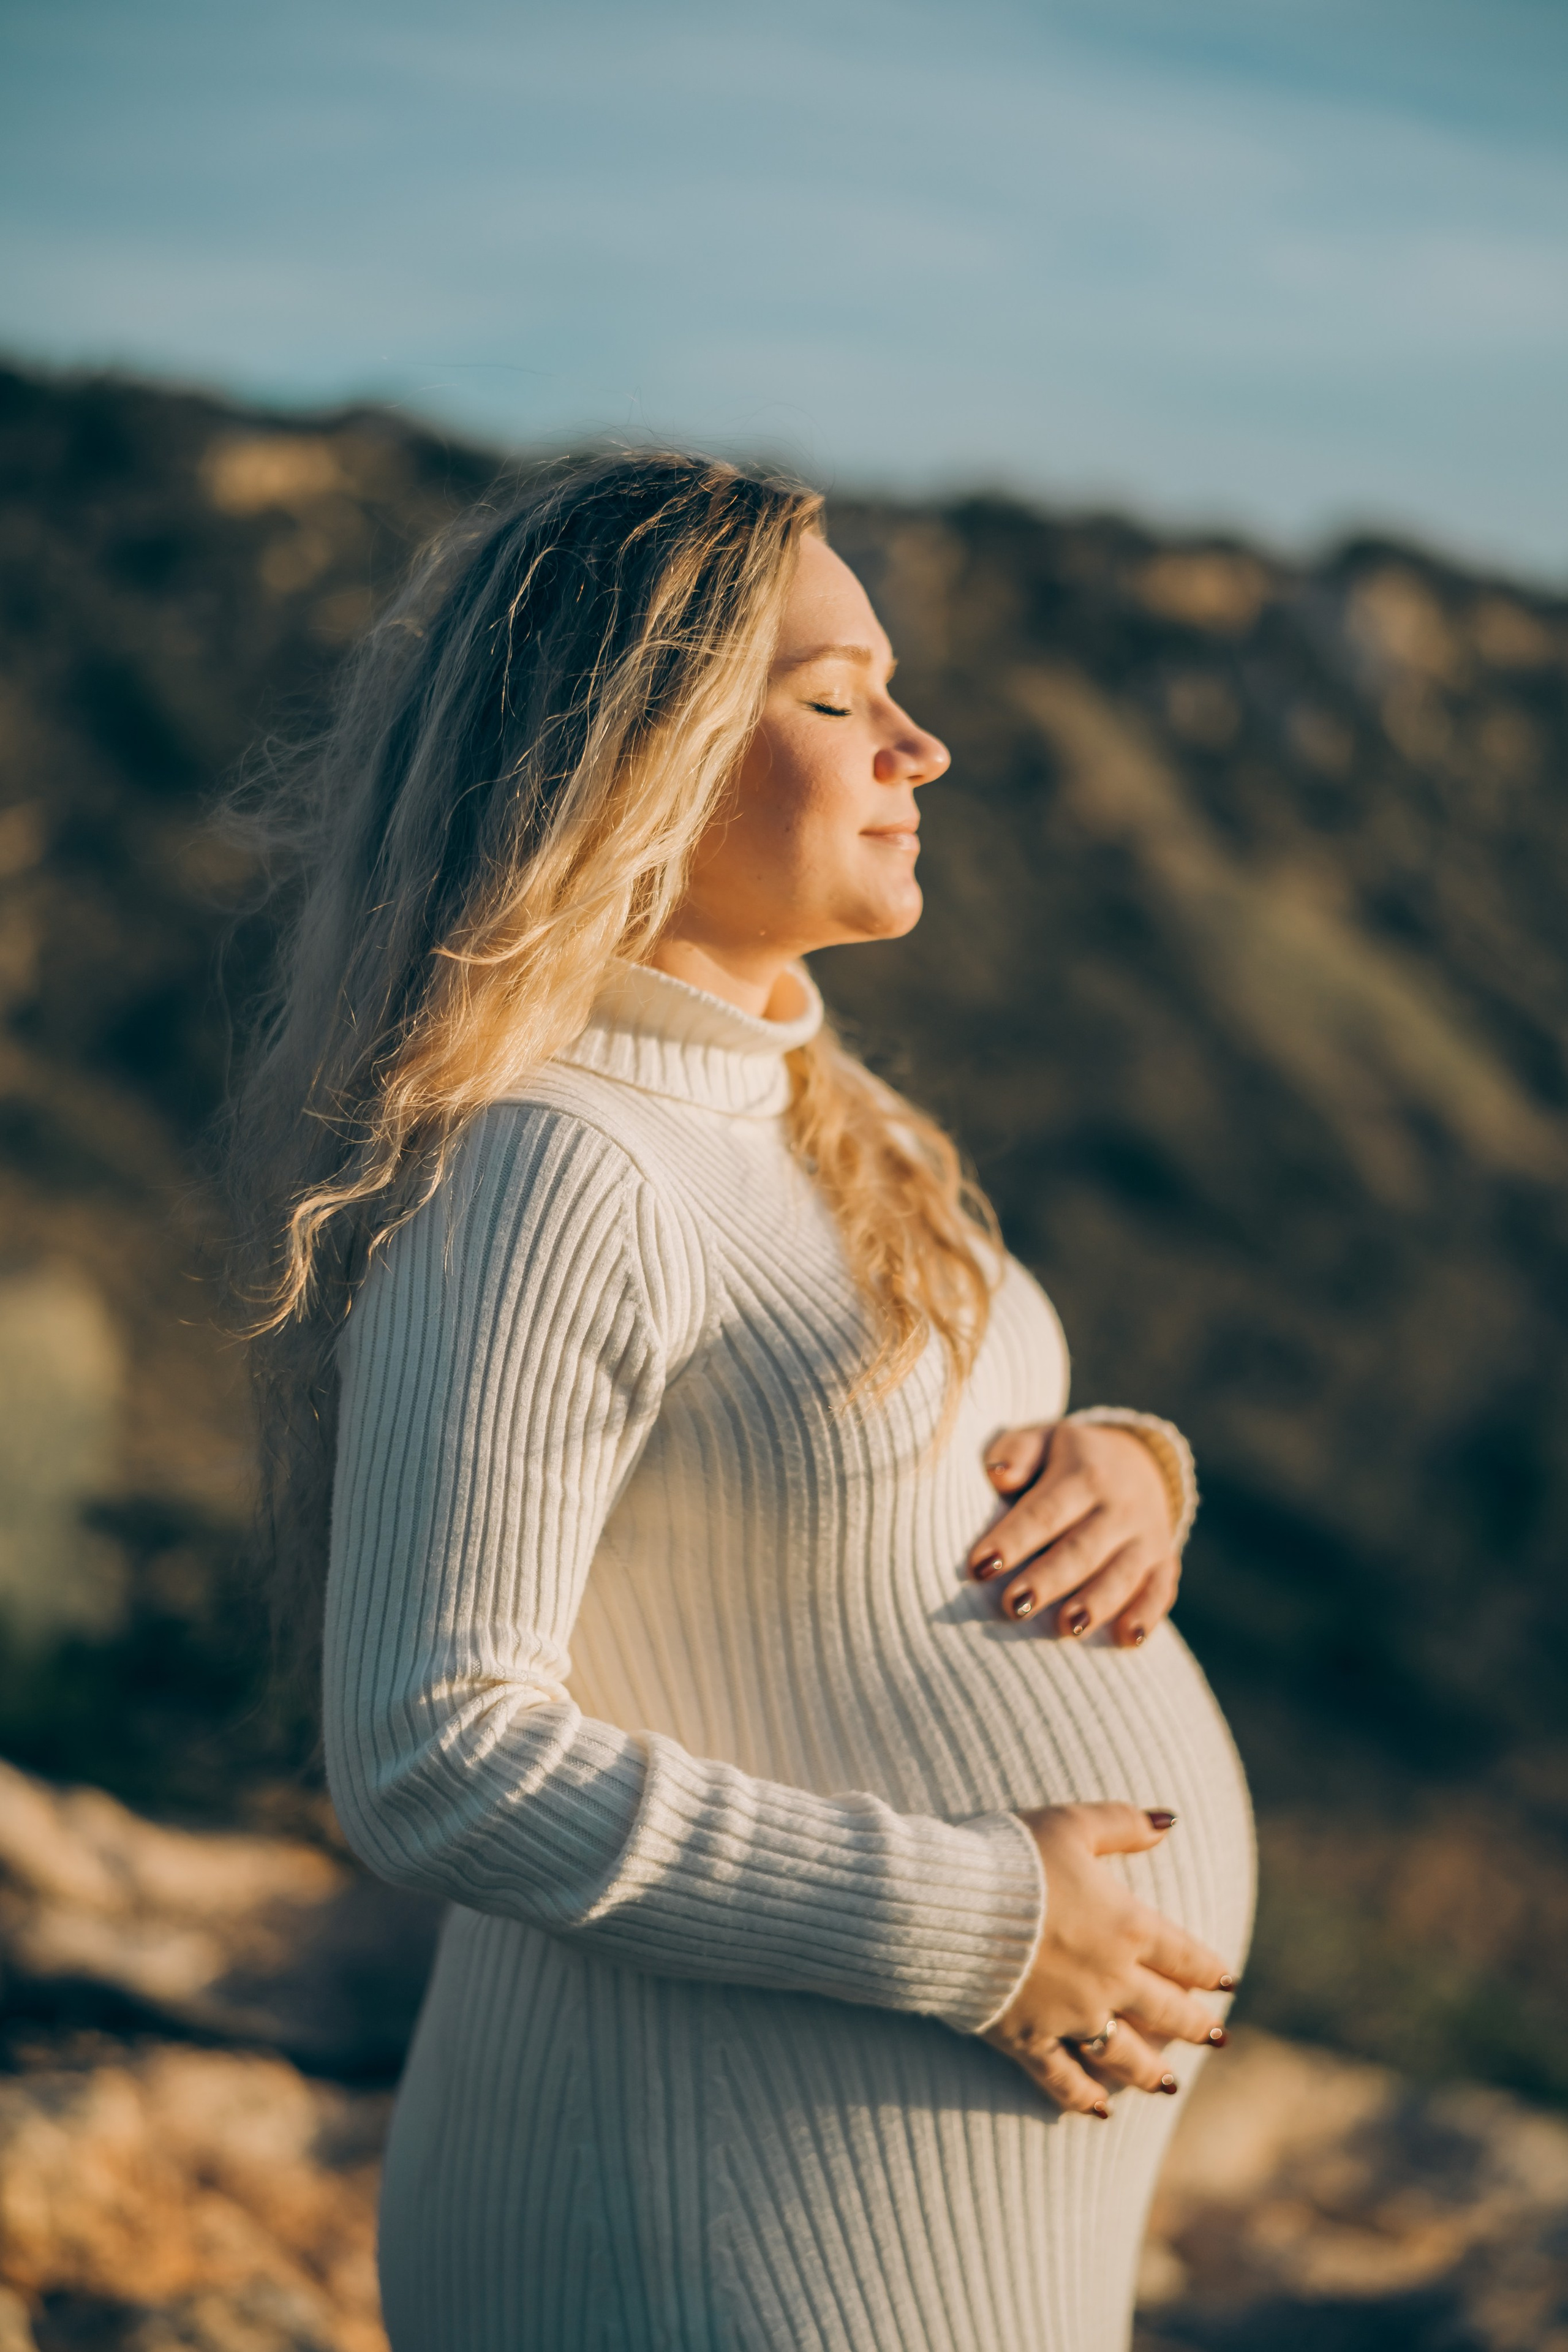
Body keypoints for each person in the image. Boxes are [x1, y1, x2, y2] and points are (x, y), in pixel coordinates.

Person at [228, 453, 1254, 2351]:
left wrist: (1122, 1467)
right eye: (836, 697)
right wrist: (983, 1922)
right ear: (633, 763)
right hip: (704, 2227)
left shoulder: (798, 1111)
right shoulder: (557, 1164)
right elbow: (432, 1750)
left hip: (881, 2222)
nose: (920, 746)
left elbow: (873, 1473)